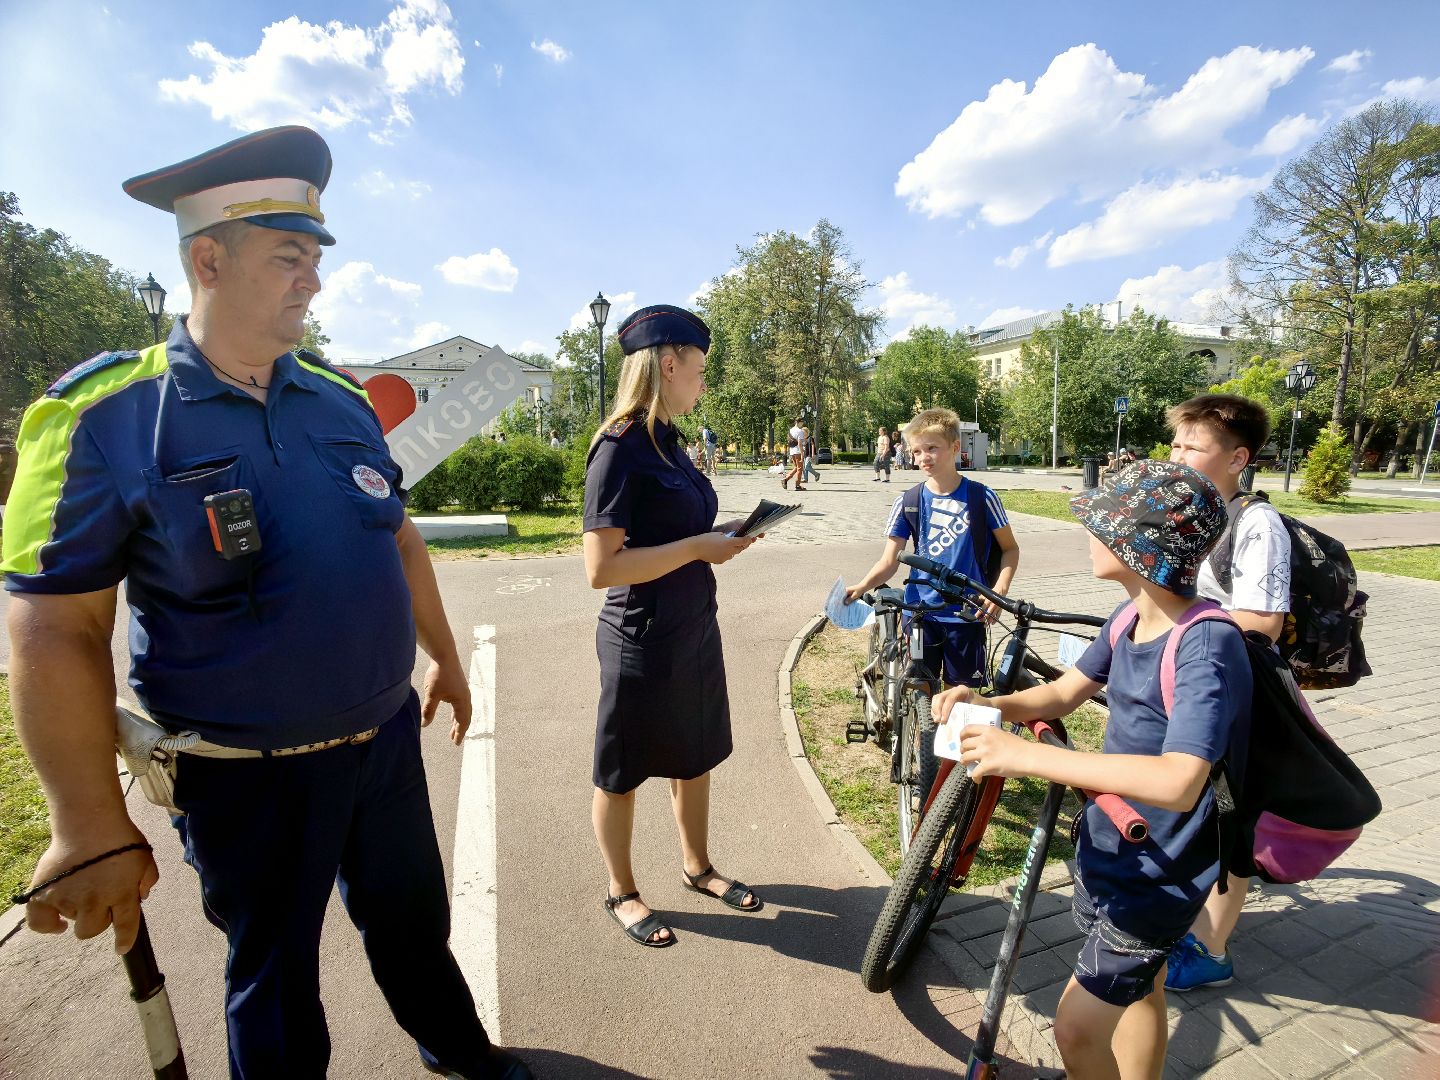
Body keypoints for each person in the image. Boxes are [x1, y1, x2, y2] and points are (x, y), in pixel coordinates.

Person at [0, 127, 529, 1080]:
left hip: (384, 744)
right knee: (276, 977)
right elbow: (54, 624)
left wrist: (444, 656)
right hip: (245, 776)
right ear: (208, 258)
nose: (314, 281)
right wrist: (85, 823)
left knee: (415, 922)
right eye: (290, 256)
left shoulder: (341, 400)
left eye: (316, 257)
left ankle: (458, 1049)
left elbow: (397, 535)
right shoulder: (104, 417)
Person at [934, 460, 1249, 1080]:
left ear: (1140, 548)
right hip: (1110, 844)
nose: (1089, 536)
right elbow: (1061, 694)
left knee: (1075, 1030)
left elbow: (1181, 782)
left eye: (1102, 526)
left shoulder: (1206, 643)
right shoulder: (1130, 615)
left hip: (1160, 869)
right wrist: (990, 703)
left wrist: (1033, 757)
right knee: (1146, 985)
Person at [583, 304, 765, 949]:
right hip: (639, 636)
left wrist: (716, 534)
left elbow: (675, 531)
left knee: (695, 756)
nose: (703, 383)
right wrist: (695, 548)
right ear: (667, 364)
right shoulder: (619, 448)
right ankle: (622, 892)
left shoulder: (672, 442)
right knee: (624, 771)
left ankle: (698, 867)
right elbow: (601, 567)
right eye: (699, 370)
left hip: (692, 625)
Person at [1163, 394, 1291, 993]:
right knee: (1192, 807)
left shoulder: (1257, 523)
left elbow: (1264, 623)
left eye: (1194, 445)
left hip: (1238, 689)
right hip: (1190, 677)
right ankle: (1184, 916)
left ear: (1238, 457)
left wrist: (1181, 629)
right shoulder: (1185, 511)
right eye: (1177, 442)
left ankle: (1212, 951)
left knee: (1229, 817)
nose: (1178, 453)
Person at [845, 409, 1019, 691]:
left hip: (967, 615)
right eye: (916, 451)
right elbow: (889, 560)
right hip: (919, 614)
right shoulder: (908, 501)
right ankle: (919, 736)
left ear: (955, 447)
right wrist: (862, 585)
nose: (923, 457)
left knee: (958, 699)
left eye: (931, 448)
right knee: (918, 692)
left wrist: (998, 594)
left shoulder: (982, 497)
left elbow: (1010, 550)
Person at [782, 416, 806, 490]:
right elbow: (800, 444)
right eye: (802, 423)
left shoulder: (790, 430)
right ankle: (797, 485)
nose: (802, 424)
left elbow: (789, 442)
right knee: (799, 469)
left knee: (796, 467)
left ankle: (786, 479)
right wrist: (802, 454)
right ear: (799, 422)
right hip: (798, 451)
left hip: (792, 451)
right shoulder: (800, 431)